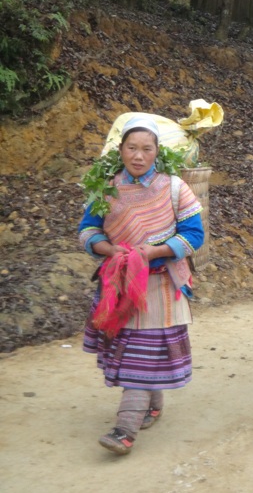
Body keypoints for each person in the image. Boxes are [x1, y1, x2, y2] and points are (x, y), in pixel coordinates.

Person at [79, 115, 204, 454]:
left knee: (139, 356)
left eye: (146, 149)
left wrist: (157, 251)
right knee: (139, 353)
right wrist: (109, 248)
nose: (138, 155)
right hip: (119, 284)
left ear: (156, 152)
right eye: (131, 148)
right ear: (119, 150)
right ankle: (152, 404)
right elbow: (88, 231)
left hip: (160, 286)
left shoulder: (175, 187)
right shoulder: (105, 189)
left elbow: (195, 235)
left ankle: (124, 430)